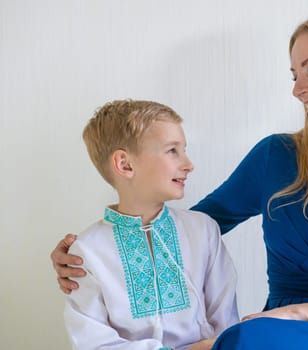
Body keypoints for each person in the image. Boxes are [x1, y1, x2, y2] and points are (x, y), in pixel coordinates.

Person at [52, 8, 308, 350]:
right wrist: (94, 251)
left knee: (240, 339)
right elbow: (195, 229)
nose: (297, 88)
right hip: (272, 340)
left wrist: (297, 314)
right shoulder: (276, 157)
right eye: (294, 73)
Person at [62, 100, 238, 350]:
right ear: (125, 164)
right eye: (172, 150)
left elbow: (227, 324)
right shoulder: (87, 252)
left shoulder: (203, 231)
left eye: (184, 149)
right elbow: (93, 343)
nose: (188, 164)